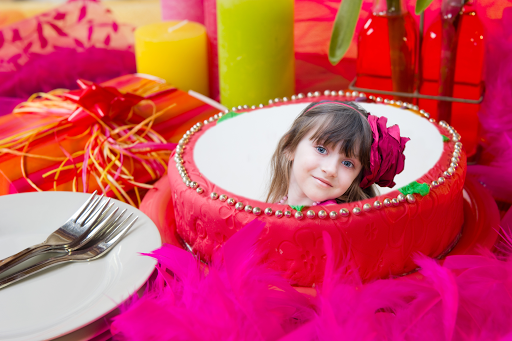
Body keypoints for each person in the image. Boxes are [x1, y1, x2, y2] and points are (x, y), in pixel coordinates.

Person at [266, 100, 409, 206]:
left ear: (358, 176)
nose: (330, 170)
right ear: (290, 146)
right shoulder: (276, 206)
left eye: (347, 163)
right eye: (321, 150)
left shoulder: (332, 227)